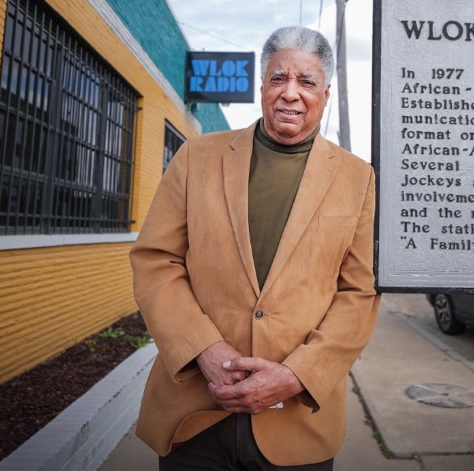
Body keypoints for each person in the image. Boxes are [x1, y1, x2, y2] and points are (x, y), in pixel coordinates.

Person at [129, 26, 380, 470]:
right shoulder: (195, 158)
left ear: (325, 92)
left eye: (306, 82)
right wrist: (202, 348)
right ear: (261, 86)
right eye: (278, 78)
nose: (290, 94)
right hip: (196, 413)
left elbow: (359, 293)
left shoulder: (358, 179)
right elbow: (157, 261)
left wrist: (297, 375)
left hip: (297, 423)